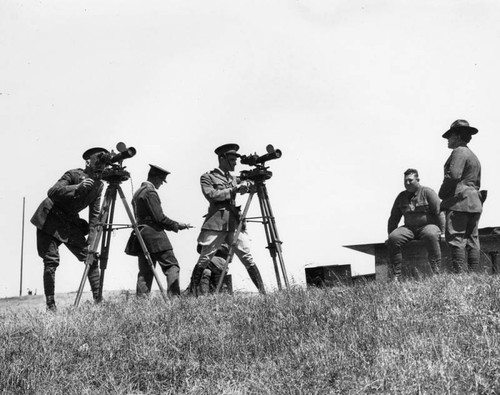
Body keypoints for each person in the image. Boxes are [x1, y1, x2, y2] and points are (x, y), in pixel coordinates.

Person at [31, 147, 108, 311]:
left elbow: (95, 215)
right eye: (98, 163)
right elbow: (52, 191)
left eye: (104, 166)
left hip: (69, 222)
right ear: (88, 162)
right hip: (49, 218)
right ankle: (51, 306)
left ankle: (98, 302)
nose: (101, 169)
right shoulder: (73, 174)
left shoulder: (99, 186)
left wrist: (92, 243)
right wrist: (77, 187)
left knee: (90, 257)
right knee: (51, 262)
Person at [188, 143, 266, 295]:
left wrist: (249, 184)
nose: (235, 163)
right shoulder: (208, 177)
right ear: (222, 158)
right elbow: (211, 195)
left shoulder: (233, 178)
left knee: (247, 256)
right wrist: (234, 189)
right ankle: (193, 294)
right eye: (231, 159)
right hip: (216, 223)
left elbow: (244, 185)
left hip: (234, 223)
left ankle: (263, 293)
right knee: (205, 258)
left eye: (236, 160)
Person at [126, 164, 191, 297]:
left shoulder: (138, 192)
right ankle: (175, 301)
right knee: (172, 266)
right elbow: (159, 218)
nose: (161, 183)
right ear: (155, 178)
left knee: (145, 272)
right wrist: (177, 225)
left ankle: (141, 305)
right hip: (154, 235)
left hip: (140, 235)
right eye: (161, 180)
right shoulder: (150, 192)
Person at [439, 119, 484, 273]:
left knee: (456, 239)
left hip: (459, 202)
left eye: (450, 136)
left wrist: (442, 193)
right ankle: (472, 276)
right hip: (474, 203)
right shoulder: (473, 155)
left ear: (457, 136)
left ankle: (459, 277)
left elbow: (453, 176)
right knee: (472, 240)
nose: (448, 140)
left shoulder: (459, 151)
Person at [387, 168, 445, 279]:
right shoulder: (401, 197)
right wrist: (389, 235)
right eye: (405, 181)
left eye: (410, 180)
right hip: (409, 229)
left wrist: (442, 232)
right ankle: (396, 276)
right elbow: (394, 217)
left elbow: (440, 212)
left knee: (431, 235)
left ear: (417, 180)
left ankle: (436, 273)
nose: (407, 183)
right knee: (394, 237)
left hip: (427, 226)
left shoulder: (428, 192)